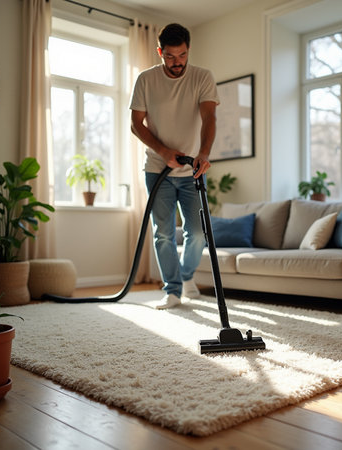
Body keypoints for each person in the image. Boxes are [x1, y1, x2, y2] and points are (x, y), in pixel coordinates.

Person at [130, 23, 219, 309]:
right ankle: (172, 290)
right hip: (158, 169)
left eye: (182, 55)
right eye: (170, 56)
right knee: (164, 232)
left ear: (188, 50)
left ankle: (186, 275)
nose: (177, 62)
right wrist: (163, 151)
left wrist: (204, 153)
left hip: (192, 169)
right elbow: (136, 124)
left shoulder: (202, 77)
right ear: (160, 52)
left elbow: (209, 118)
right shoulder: (146, 80)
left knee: (196, 232)